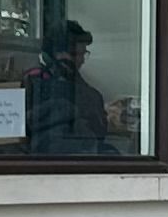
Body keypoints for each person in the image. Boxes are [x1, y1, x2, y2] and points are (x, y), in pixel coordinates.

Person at [24, 19, 113, 156]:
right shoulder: (36, 82)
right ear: (56, 54)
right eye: (76, 54)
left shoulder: (80, 85)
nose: (82, 60)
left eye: (84, 54)